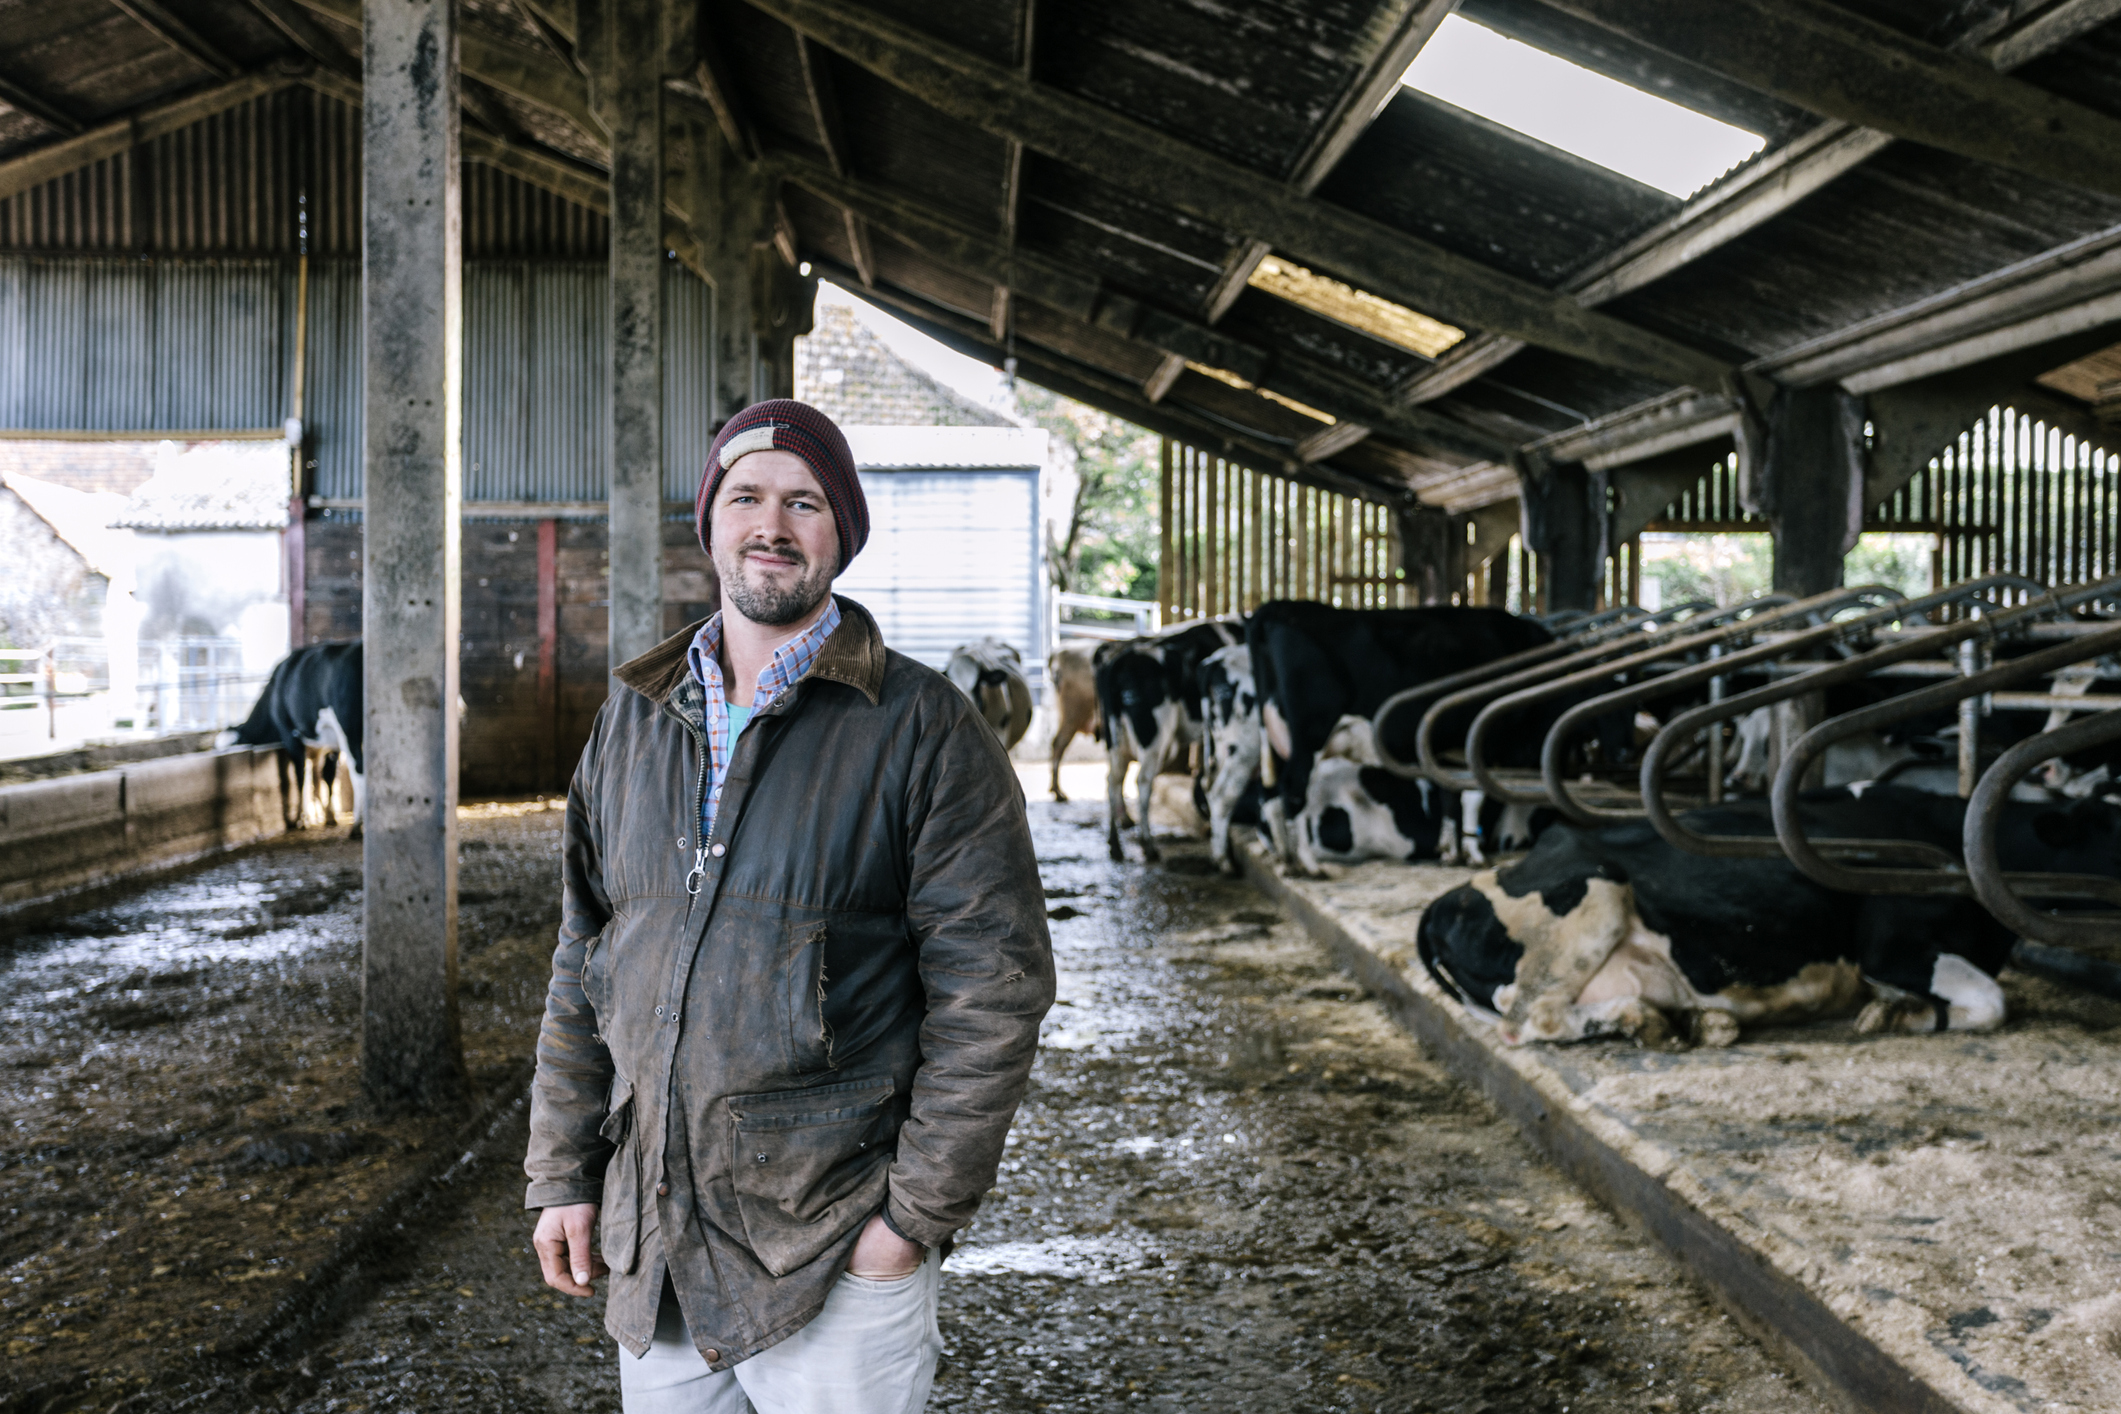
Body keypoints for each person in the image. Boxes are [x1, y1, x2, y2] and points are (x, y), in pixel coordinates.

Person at [524, 399, 1055, 1413]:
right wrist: (562, 1172)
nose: (772, 525)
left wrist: (908, 1221)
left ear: (841, 534)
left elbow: (995, 990)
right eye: (747, 497)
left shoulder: (922, 730)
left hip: (833, 1247)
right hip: (661, 1257)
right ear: (712, 521)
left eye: (805, 502)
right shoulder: (630, 726)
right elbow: (583, 964)